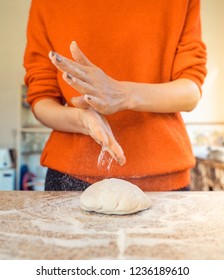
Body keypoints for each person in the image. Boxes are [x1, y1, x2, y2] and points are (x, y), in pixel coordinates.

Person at [24, 0, 207, 191]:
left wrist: (123, 94)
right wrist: (82, 120)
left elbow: (190, 92)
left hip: (164, 177)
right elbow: (42, 98)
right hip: (72, 177)